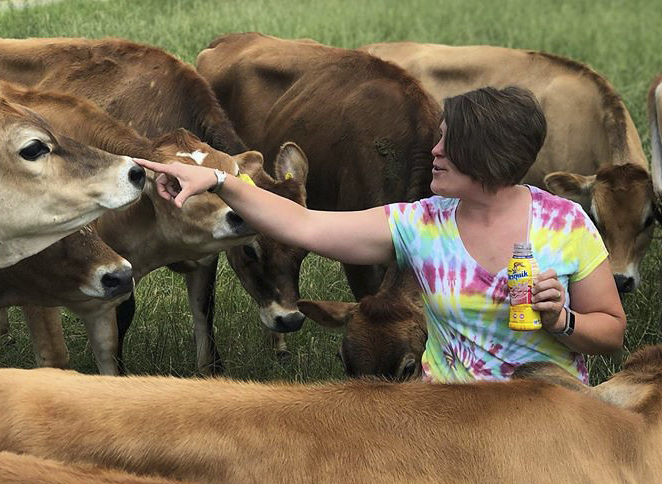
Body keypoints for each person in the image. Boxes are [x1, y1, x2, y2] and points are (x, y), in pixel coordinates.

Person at [135, 86, 626, 383]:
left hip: (546, 417)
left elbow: (611, 332)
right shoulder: (422, 224)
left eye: (446, 141)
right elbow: (303, 224)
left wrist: (561, 320)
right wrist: (221, 182)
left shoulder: (566, 225)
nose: (433, 151)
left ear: (484, 155)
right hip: (445, 421)